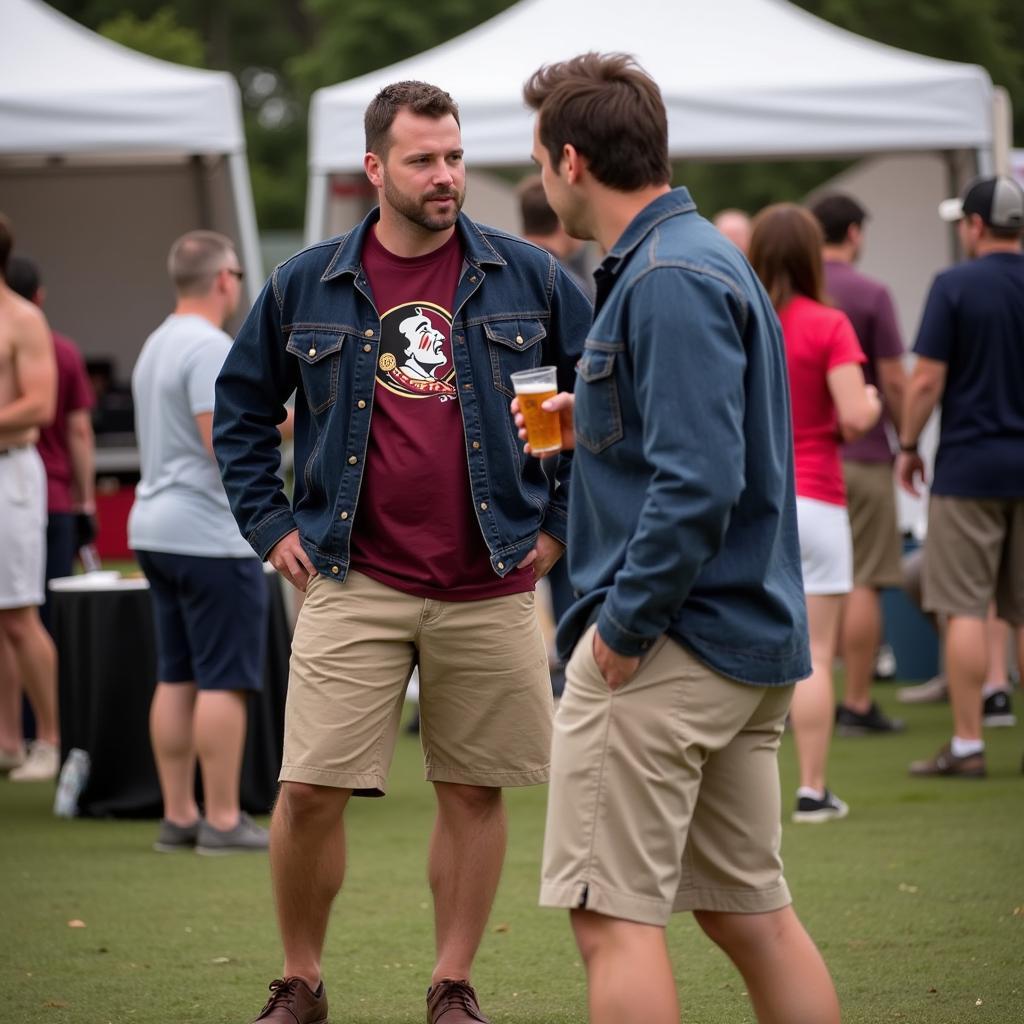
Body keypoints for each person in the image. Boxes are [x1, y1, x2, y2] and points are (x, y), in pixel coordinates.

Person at [213, 81, 590, 1024]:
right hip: (353, 574)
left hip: (494, 574)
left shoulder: (530, 278)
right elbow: (241, 412)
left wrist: (558, 525)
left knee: (473, 792)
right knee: (306, 791)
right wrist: (271, 527)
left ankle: (452, 984)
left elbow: (593, 414)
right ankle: (300, 981)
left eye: (456, 156)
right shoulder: (307, 281)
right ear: (375, 168)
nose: (446, 176)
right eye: (424, 159)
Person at [520, 53, 840, 1024]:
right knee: (749, 918)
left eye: (536, 161)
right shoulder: (694, 258)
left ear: (570, 162)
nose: (538, 180)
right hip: (733, 638)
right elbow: (698, 445)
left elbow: (699, 481)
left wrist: (616, 632)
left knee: (610, 918)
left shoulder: (664, 275)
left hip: (668, 646)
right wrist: (596, 418)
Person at [128, 230, 270, 855]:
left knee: (177, 674)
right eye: (238, 274)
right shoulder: (212, 347)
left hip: (154, 526)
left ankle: (180, 814)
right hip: (209, 535)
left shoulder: (157, 342)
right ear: (223, 279)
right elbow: (225, 440)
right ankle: (220, 818)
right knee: (222, 680)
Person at [750, 203, 880, 822]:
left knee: (745, 648)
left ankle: (745, 793)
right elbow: (854, 415)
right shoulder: (829, 323)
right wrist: (875, 403)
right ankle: (812, 788)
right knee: (816, 654)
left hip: (755, 502)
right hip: (819, 498)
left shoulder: (742, 318)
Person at [899, 174, 1024, 778]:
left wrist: (906, 443)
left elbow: (925, 381)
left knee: (966, 607)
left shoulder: (954, 284)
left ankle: (969, 745)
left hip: (970, 467)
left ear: (974, 226)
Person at [809, 193, 908, 735]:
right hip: (864, 457)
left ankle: (805, 692)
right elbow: (894, 378)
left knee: (808, 584)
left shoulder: (790, 298)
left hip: (800, 465)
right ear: (852, 232)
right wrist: (907, 436)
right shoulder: (870, 294)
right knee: (866, 579)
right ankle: (860, 701)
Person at [0, 213, 60, 782]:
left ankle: (49, 739)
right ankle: (7, 741)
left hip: (10, 472)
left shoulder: (21, 318)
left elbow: (38, 405)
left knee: (19, 614)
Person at [5, 257, 96, 620]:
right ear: (39, 297)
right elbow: (79, 431)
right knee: (48, 613)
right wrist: (85, 501)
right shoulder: (63, 351)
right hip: (53, 495)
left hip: (21, 482)